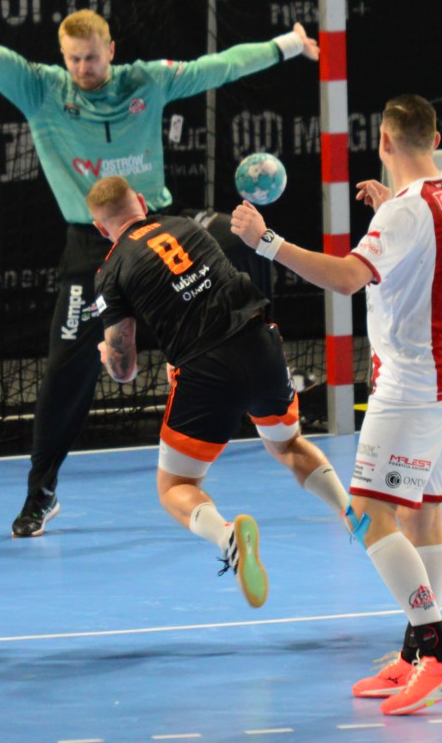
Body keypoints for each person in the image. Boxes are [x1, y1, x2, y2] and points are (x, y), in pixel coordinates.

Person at [0, 0, 321, 538]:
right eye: (74, 59)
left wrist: (287, 44)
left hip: (159, 229)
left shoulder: (143, 82)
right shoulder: (42, 91)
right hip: (92, 248)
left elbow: (218, 66)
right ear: (63, 58)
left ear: (111, 51)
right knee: (66, 370)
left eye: (92, 57)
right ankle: (40, 493)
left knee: (242, 245)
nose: (83, 68)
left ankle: (270, 377)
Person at [230, 95, 442, 716]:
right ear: (435, 139)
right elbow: (421, 241)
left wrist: (267, 242)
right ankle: (419, 650)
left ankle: (441, 651)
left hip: (412, 383)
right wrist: (392, 206)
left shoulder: (403, 213)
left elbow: (346, 278)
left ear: (385, 142)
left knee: (367, 513)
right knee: (423, 516)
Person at [87, 175, 350, 609]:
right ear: (141, 202)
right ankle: (351, 512)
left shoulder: (111, 271)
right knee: (288, 445)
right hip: (259, 344)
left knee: (175, 486)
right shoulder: (185, 226)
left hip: (206, 373)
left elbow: (124, 369)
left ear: (101, 229)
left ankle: (227, 536)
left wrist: (106, 354)